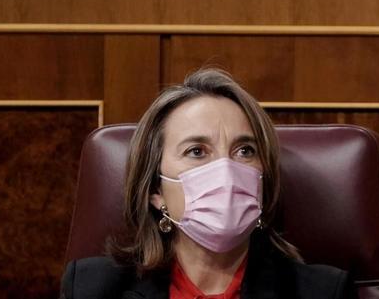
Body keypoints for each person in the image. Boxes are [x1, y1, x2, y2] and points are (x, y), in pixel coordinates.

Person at [59, 68, 354, 298]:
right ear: (155, 191)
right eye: (197, 151)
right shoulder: (92, 287)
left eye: (244, 151)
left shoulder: (323, 291)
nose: (226, 171)